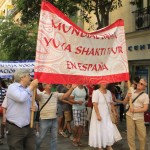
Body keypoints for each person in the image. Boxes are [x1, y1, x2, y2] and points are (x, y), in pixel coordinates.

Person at [36, 83, 77, 150]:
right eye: (47, 83)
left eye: (50, 83)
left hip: (54, 119)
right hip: (44, 119)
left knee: (54, 138)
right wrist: (34, 88)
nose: (50, 84)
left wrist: (72, 88)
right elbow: (35, 97)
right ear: (44, 85)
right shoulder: (41, 94)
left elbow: (65, 96)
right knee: (41, 137)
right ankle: (36, 148)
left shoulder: (55, 94)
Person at [6, 69, 38, 150]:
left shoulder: (28, 89)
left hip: (29, 126)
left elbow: (35, 105)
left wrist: (35, 107)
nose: (30, 78)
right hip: (15, 127)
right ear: (22, 77)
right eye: (28, 76)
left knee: (31, 148)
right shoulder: (12, 87)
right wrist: (31, 86)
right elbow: (21, 98)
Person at [89, 83, 122, 150]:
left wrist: (114, 112)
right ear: (99, 83)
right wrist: (98, 115)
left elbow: (111, 103)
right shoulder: (96, 92)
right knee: (100, 129)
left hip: (107, 114)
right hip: (99, 114)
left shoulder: (109, 92)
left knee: (109, 129)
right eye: (103, 82)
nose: (105, 84)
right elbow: (95, 104)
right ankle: (100, 146)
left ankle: (108, 144)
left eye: (106, 82)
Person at [121, 78, 149, 150]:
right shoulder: (130, 91)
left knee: (142, 136)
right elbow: (124, 103)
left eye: (142, 84)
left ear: (144, 87)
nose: (139, 84)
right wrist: (127, 97)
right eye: (139, 82)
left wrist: (134, 110)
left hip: (139, 117)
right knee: (130, 136)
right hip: (129, 116)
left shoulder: (145, 96)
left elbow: (145, 108)